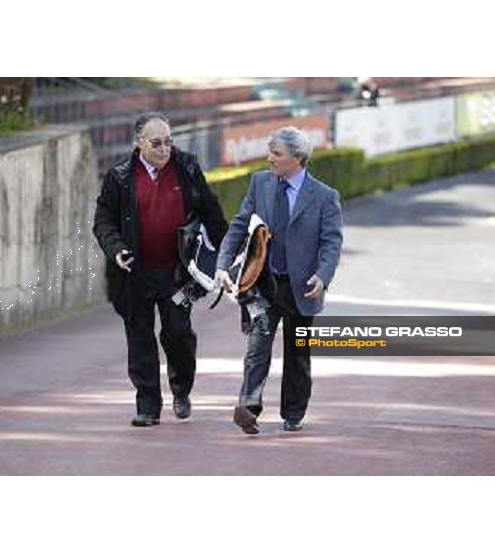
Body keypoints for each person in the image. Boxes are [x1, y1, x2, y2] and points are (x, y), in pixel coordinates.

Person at [93, 112, 227, 427]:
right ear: (139, 144)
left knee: (178, 333)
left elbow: (212, 213)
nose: (165, 149)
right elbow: (103, 221)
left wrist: (222, 258)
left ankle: (181, 390)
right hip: (134, 275)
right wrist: (116, 251)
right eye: (157, 143)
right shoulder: (120, 177)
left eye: (168, 141)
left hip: (179, 275)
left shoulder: (188, 168)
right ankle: (148, 406)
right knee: (140, 339)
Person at [216, 126, 343, 434]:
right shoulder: (260, 183)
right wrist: (222, 265)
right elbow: (239, 224)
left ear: (297, 158)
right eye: (270, 152)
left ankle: (294, 412)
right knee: (258, 345)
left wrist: (323, 276)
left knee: (297, 354)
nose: (269, 159)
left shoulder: (325, 197)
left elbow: (331, 242)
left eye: (277, 154)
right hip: (264, 283)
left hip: (303, 287)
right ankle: (248, 407)